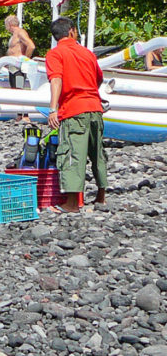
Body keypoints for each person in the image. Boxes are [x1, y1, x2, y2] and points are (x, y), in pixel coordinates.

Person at [47, 17, 109, 211]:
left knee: (72, 154)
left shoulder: (55, 54)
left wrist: (52, 109)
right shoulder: (87, 53)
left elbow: (56, 80)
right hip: (95, 108)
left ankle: (72, 203)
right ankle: (101, 196)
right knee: (97, 152)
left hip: (74, 109)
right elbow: (99, 79)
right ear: (72, 31)